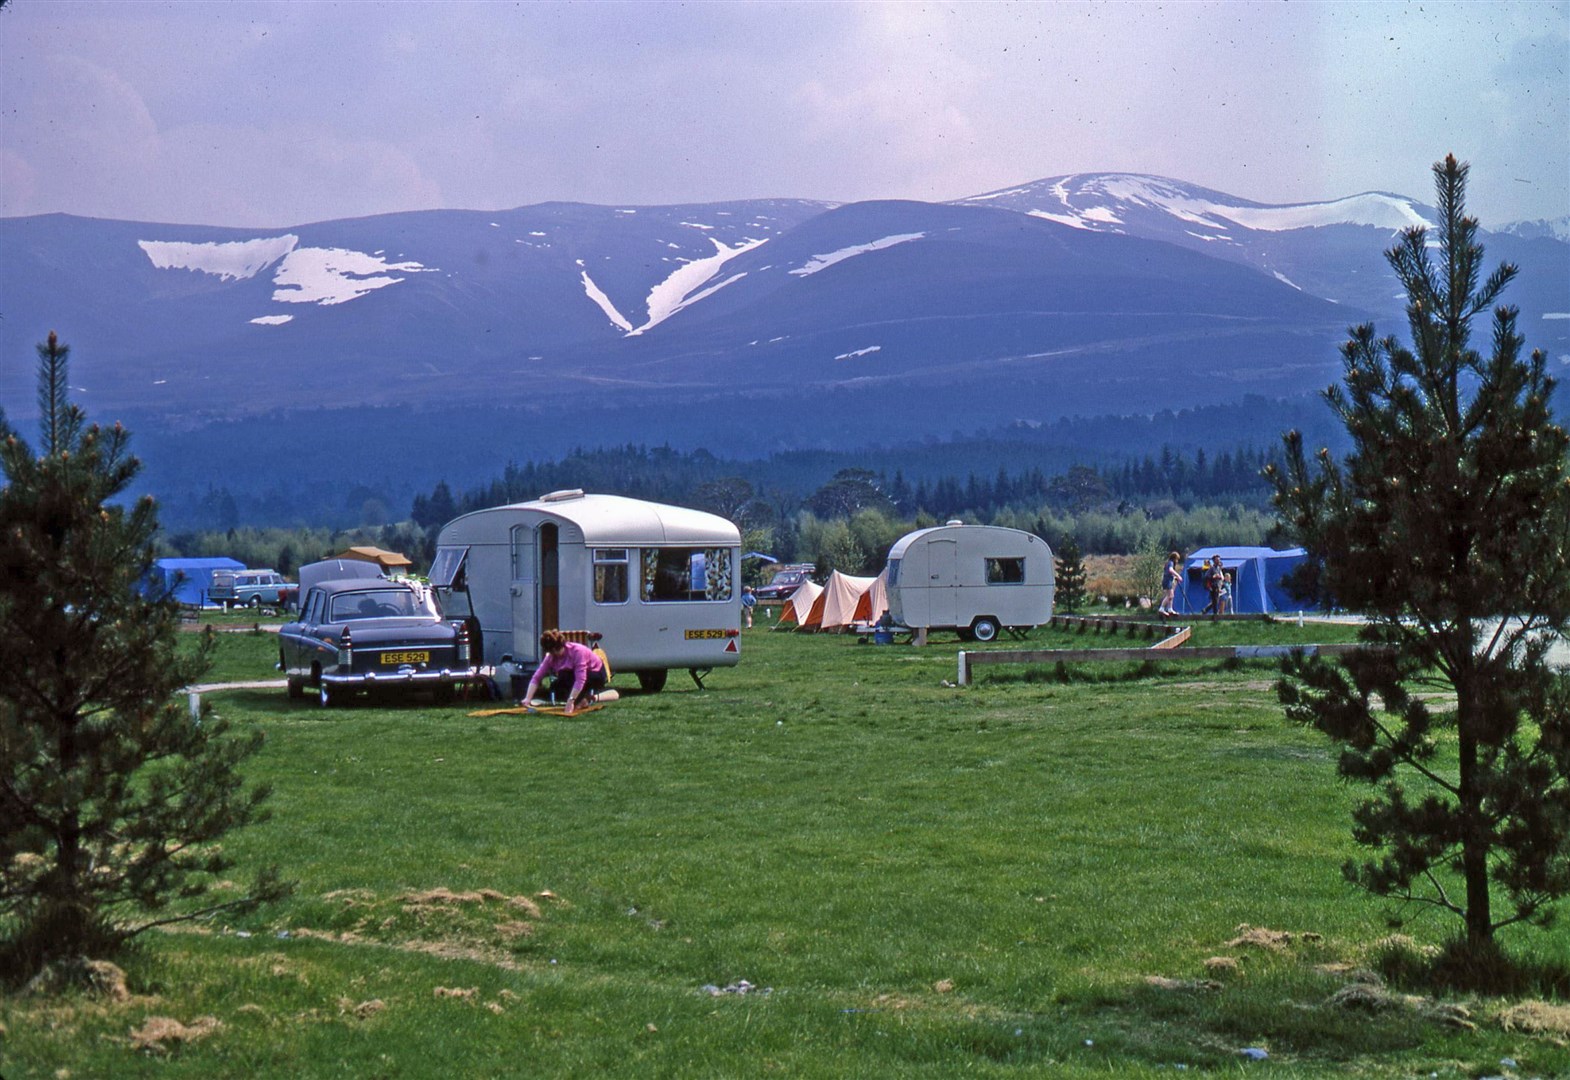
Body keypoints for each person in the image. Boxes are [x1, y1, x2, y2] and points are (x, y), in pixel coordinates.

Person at [522, 629, 608, 716]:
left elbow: (580, 679)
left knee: (568, 683)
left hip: (595, 673)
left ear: (561, 646)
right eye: (551, 652)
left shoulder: (578, 652)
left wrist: (571, 701)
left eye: (556, 650)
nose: (554, 654)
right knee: (559, 683)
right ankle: (581, 699)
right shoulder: (551, 657)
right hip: (573, 675)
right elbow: (537, 677)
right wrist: (527, 698)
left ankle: (585, 699)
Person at [1158, 551, 1182, 617]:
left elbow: (1168, 573)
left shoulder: (1168, 563)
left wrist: (1175, 577)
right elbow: (1170, 570)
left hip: (1167, 580)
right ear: (1174, 558)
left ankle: (1170, 609)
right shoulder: (1170, 563)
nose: (1177, 561)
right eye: (1177, 559)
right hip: (1167, 581)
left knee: (1171, 595)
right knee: (1170, 596)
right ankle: (1161, 608)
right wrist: (1178, 576)